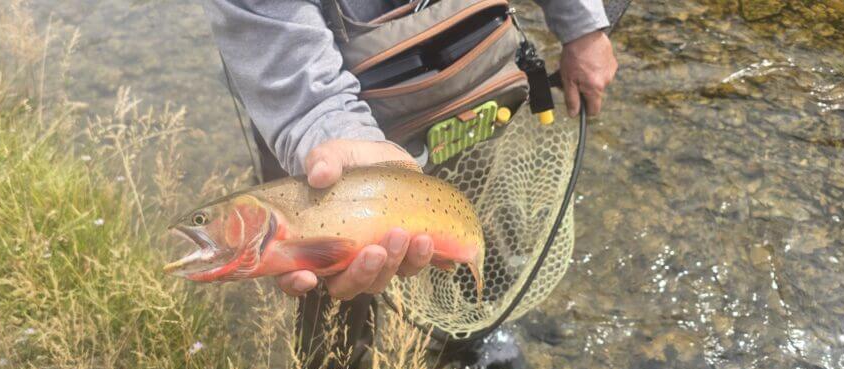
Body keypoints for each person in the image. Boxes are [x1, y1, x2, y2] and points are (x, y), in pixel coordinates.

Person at [203, 0, 618, 301]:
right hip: (315, 113)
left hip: (465, 74)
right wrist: (328, 130)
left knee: (471, 222)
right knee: (335, 282)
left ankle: (473, 326)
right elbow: (280, 49)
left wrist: (582, 25)